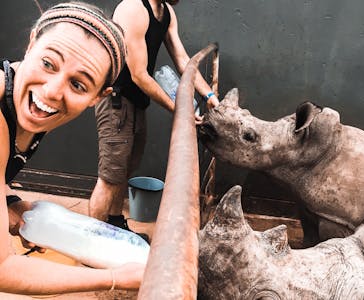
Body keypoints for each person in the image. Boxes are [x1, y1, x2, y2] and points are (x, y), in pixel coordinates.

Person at [0, 2, 145, 294]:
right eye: (48, 63)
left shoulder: (21, 105)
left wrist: (10, 202)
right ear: (32, 44)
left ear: (98, 97)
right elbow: (3, 268)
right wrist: (116, 277)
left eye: (78, 85)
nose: (52, 91)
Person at [89, 0, 219, 234]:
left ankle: (116, 224)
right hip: (116, 101)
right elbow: (139, 75)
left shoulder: (166, 12)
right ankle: (91, 244)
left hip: (137, 103)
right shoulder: (133, 9)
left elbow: (182, 59)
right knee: (109, 178)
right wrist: (180, 109)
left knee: (125, 170)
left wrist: (208, 94)